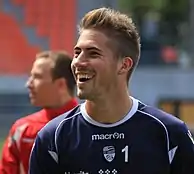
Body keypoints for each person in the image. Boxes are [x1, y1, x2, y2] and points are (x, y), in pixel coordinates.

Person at [29, 7, 194, 174]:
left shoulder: (170, 134)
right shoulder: (52, 138)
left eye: (93, 54)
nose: (78, 62)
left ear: (124, 65)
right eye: (77, 52)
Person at [0, 50, 78, 174]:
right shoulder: (22, 130)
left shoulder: (89, 125)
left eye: (37, 77)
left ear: (61, 84)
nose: (28, 84)